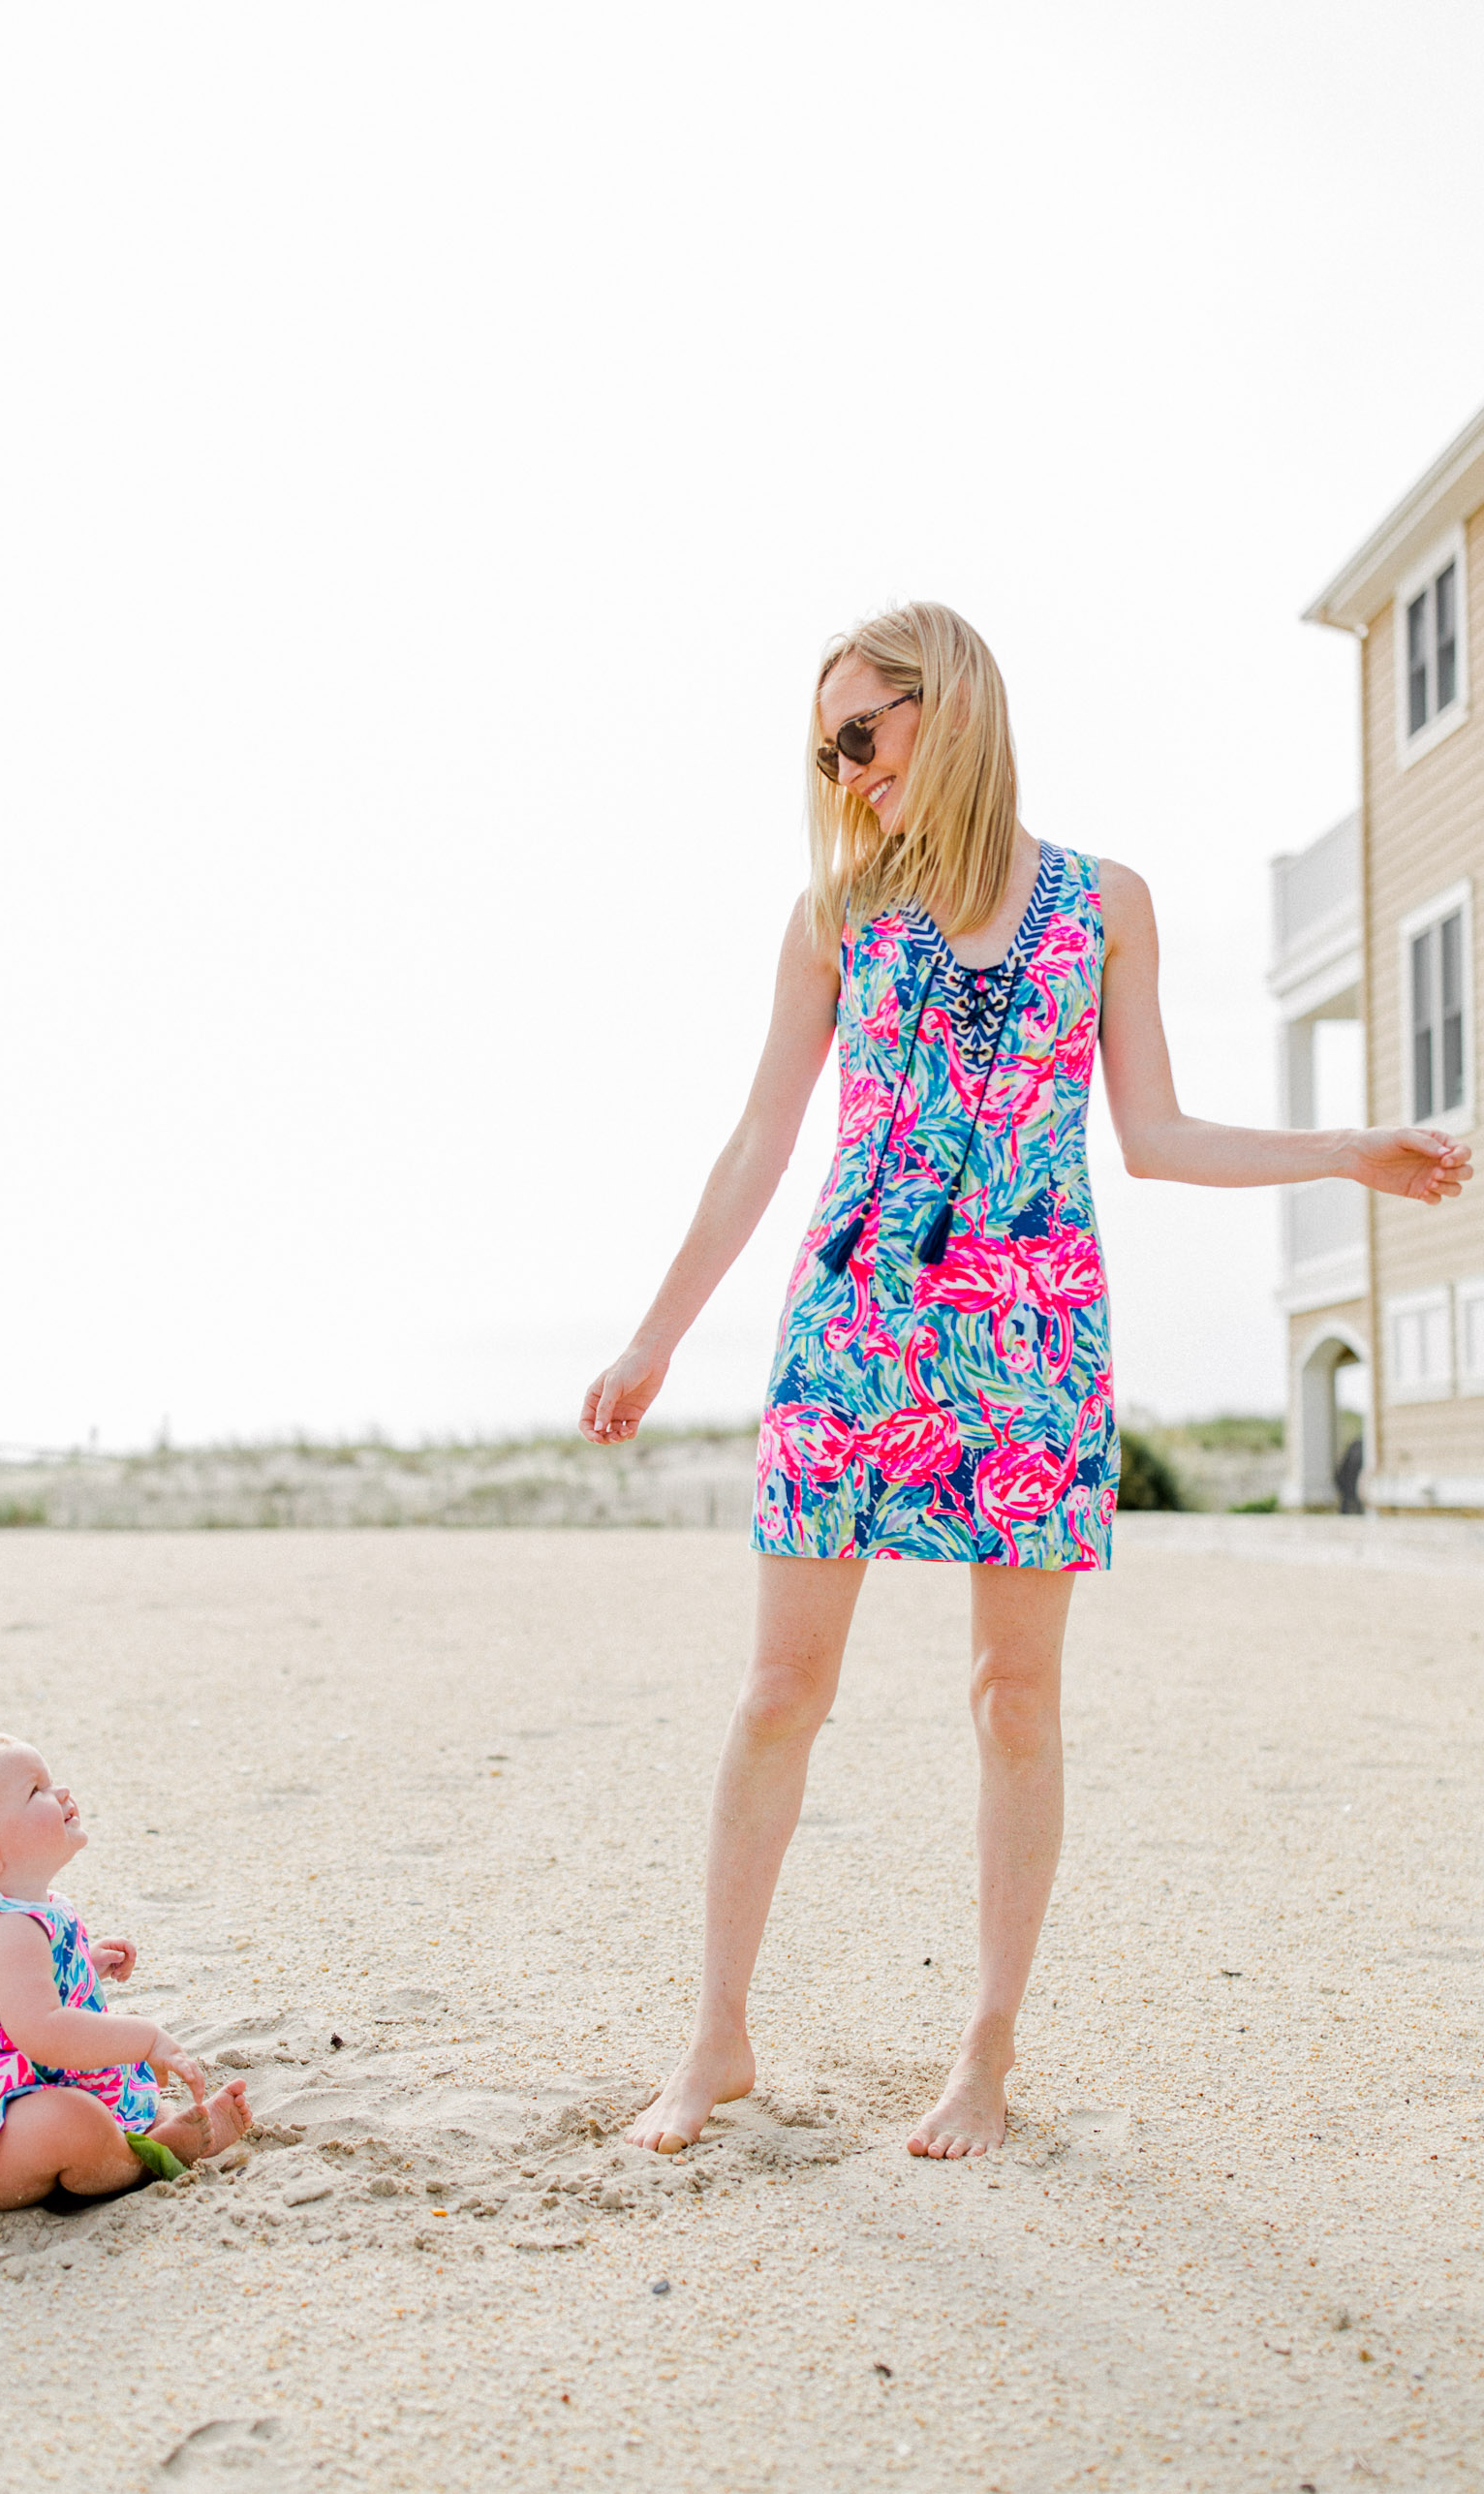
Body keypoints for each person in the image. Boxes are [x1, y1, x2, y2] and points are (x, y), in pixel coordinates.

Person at [580, 602, 1470, 2162]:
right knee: (782, 1688)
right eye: (825, 748)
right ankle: (715, 2035)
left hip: (1034, 1342)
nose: (845, 770)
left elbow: (1158, 1136)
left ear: (952, 706)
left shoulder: (1103, 902)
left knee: (1014, 1696)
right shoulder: (836, 913)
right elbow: (758, 1142)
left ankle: (984, 2052)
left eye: (864, 732)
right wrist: (656, 1334)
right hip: (851, 1329)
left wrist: (1343, 1150)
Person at [0, 1730, 251, 2208]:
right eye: (36, 1791)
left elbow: (17, 1992)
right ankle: (141, 2160)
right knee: (70, 2120)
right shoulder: (5, 1929)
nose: (61, 1793)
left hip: (22, 2084)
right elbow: (44, 2030)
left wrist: (85, 1963)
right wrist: (146, 2037)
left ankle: (159, 2131)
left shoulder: (31, 1912)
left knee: (127, 2092)